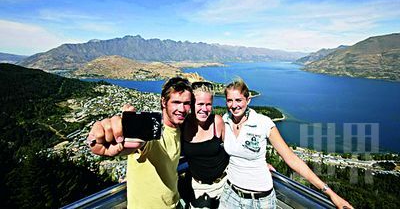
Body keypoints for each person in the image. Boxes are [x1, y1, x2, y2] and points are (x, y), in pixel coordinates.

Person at [219, 78, 353, 209]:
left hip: (259, 201)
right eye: (230, 100)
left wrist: (330, 193)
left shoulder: (263, 123)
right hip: (230, 195)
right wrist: (259, 162)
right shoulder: (225, 121)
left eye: (238, 100)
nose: (234, 105)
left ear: (248, 100)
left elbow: (292, 159)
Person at [87, 77, 193, 209]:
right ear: (164, 102)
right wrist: (104, 141)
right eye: (176, 102)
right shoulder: (150, 130)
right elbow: (137, 144)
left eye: (186, 103)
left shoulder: (179, 129)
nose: (182, 109)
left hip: (175, 204)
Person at [181, 81, 229, 208]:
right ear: (191, 104)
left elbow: (233, 149)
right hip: (198, 187)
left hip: (224, 184)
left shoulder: (217, 122)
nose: (205, 109)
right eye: (200, 104)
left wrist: (259, 163)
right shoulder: (183, 125)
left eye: (208, 104)